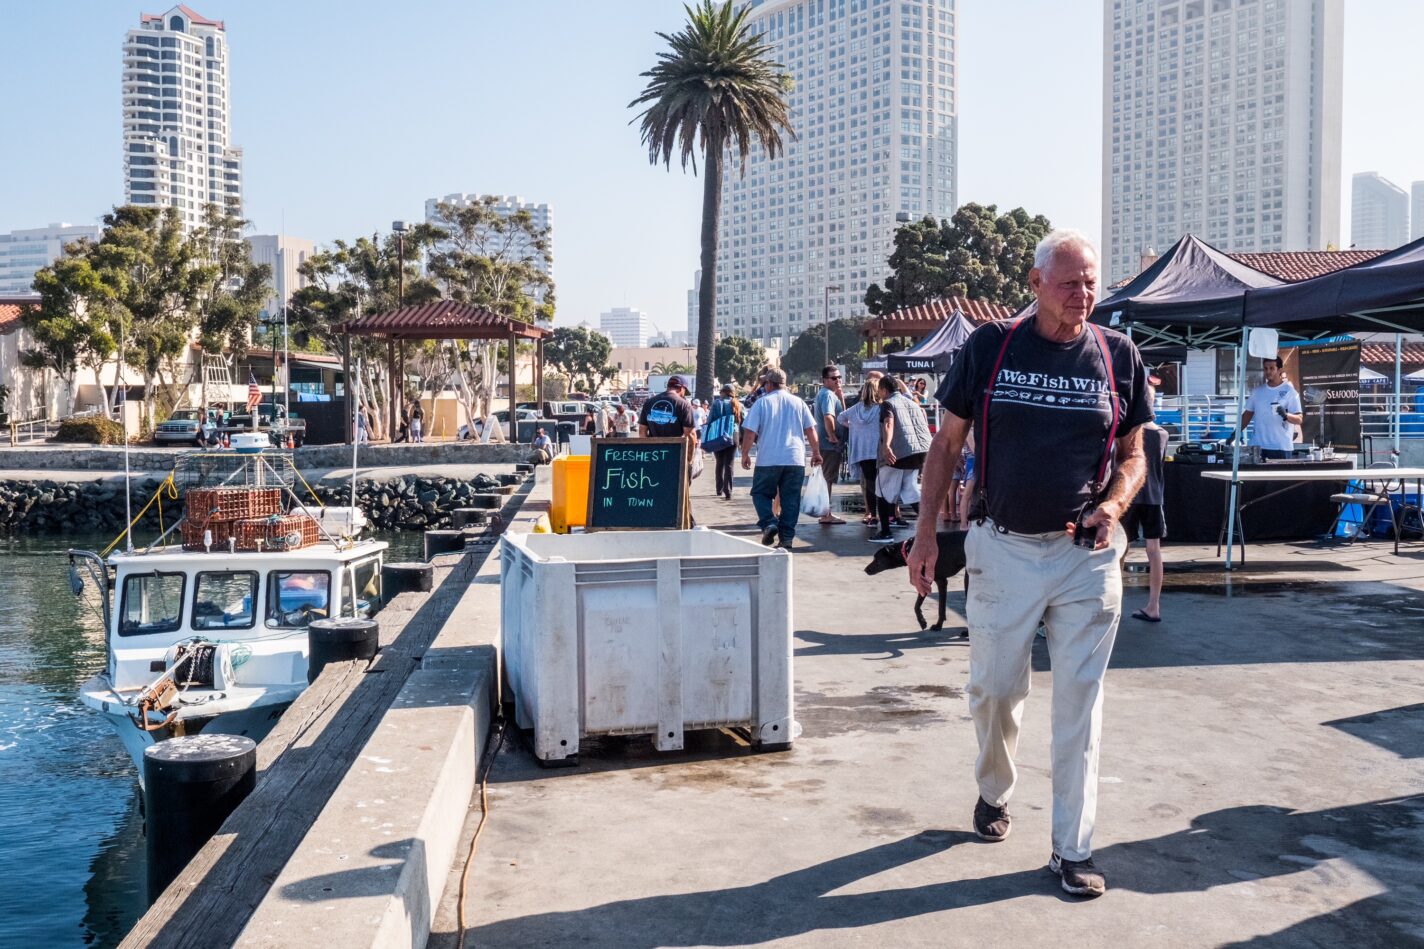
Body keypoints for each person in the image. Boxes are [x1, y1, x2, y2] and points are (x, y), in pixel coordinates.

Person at [906, 229, 1152, 899]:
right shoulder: (991, 347)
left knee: (1081, 702)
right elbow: (947, 443)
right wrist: (926, 534)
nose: (1084, 294)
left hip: (1086, 556)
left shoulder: (1117, 355)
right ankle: (994, 789)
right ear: (1036, 283)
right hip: (1002, 546)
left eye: (1092, 282)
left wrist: (1117, 504)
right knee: (994, 690)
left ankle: (1072, 849)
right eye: (1070, 282)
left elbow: (1134, 453)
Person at [739, 366, 821, 550]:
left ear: (769, 384)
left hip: (768, 459)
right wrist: (816, 452)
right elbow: (811, 430)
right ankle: (787, 539)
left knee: (760, 493)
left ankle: (769, 522)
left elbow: (750, 432)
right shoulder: (798, 403)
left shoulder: (762, 403)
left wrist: (745, 454)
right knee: (790, 500)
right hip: (795, 458)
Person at [1125, 378, 1168, 623]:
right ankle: (1154, 605)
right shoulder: (1162, 434)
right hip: (1153, 496)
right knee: (1154, 551)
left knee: (1119, 550)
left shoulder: (1130, 431)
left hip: (1130, 496)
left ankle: (1114, 602)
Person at [870, 374, 932, 542]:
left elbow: (889, 424)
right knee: (910, 490)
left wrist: (886, 446)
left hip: (898, 454)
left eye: (879, 391)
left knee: (882, 491)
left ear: (884, 390)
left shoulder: (888, 403)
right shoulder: (912, 403)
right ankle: (931, 529)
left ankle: (885, 532)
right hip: (919, 453)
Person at [838, 380, 884, 526]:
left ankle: (872, 515)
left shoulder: (856, 408)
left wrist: (853, 426)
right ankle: (887, 516)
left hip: (862, 452)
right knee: (883, 484)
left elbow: (840, 417)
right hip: (878, 450)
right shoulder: (881, 408)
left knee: (870, 484)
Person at [1240, 357, 1302, 459]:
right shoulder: (1257, 391)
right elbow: (1247, 415)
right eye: (1265, 368)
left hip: (1281, 447)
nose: (1268, 371)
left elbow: (1299, 419)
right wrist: (1235, 434)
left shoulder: (1290, 392)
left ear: (1280, 370)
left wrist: (1286, 415)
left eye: (1272, 368)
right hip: (1258, 446)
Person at [814, 365, 847, 525]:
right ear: (825, 380)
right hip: (829, 445)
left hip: (828, 444)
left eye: (839, 377)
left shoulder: (830, 394)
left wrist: (840, 398)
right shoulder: (827, 395)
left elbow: (844, 416)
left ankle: (826, 512)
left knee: (828, 478)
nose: (838, 380)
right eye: (834, 378)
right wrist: (832, 436)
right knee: (827, 478)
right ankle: (826, 514)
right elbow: (829, 417)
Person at [707, 383, 743, 500]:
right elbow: (742, 422)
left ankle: (719, 489)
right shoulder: (738, 404)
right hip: (733, 435)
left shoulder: (717, 403)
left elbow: (710, 420)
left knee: (719, 463)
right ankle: (728, 491)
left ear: (723, 392)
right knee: (729, 464)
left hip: (718, 435)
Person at [639, 376, 696, 440]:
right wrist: (690, 450)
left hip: (654, 448)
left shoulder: (649, 402)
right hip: (675, 448)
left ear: (668, 387)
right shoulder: (684, 405)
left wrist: (648, 448)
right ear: (681, 388)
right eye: (684, 392)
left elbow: (642, 431)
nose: (684, 395)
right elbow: (690, 434)